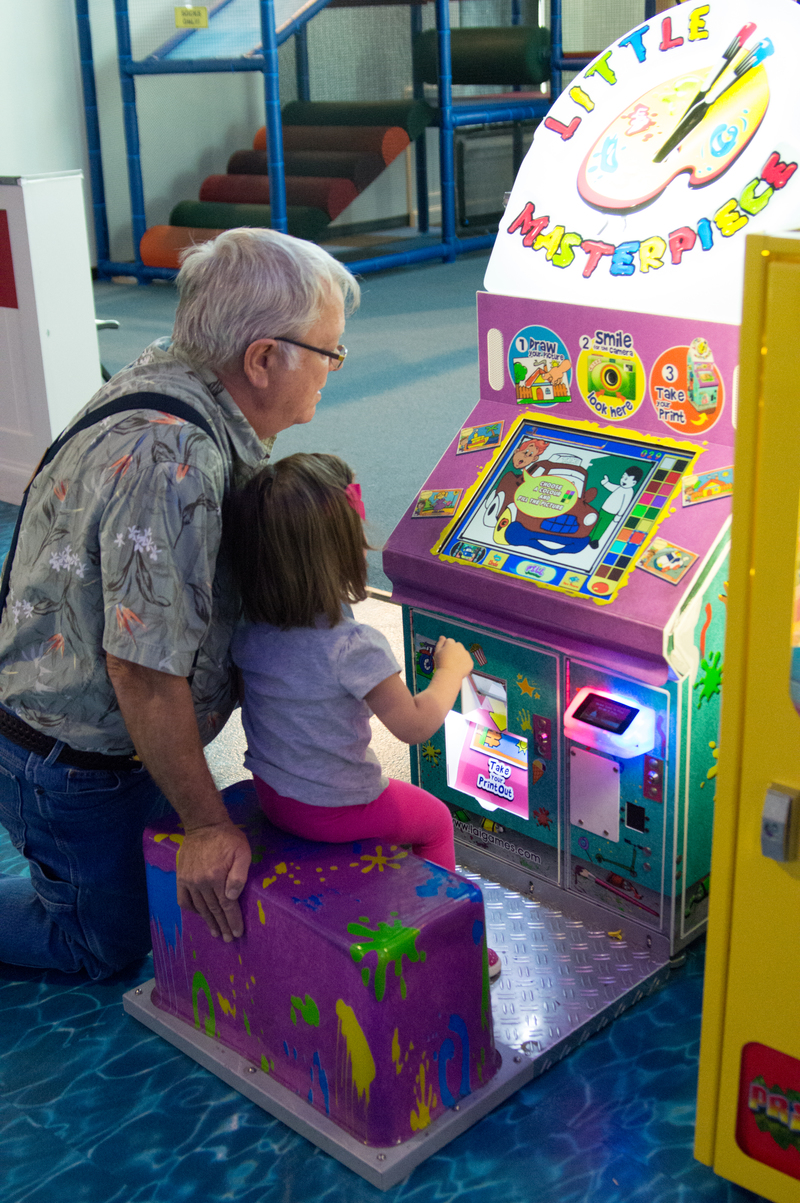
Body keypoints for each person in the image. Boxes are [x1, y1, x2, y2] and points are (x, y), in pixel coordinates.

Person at [0, 227, 359, 979]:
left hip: (103, 737)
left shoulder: (173, 370)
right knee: (105, 943)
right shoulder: (175, 460)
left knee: (167, 898)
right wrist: (205, 823)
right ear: (262, 359)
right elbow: (140, 670)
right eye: (329, 352)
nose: (334, 368)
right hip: (71, 759)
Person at [226, 453, 474, 872]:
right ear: (341, 550)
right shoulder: (354, 647)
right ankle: (440, 912)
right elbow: (414, 726)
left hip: (274, 796)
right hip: (335, 809)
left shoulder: (247, 629)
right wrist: (451, 670)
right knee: (435, 821)